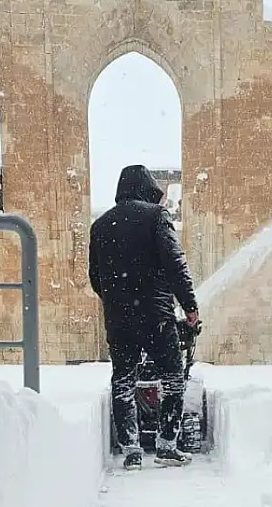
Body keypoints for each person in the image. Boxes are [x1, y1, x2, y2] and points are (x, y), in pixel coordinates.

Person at [88, 165, 200, 469]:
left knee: (123, 380)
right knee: (173, 376)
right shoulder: (156, 216)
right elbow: (175, 263)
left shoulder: (100, 226)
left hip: (119, 318)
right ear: (146, 190)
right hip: (156, 315)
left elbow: (95, 278)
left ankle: (132, 451)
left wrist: (118, 301)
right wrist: (189, 305)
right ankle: (166, 446)